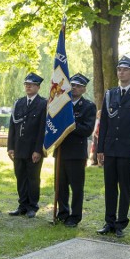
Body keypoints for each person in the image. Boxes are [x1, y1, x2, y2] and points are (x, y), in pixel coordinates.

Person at [97, 56, 130, 238]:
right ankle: (109, 222)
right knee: (110, 187)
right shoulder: (109, 94)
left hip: (127, 151)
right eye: (119, 69)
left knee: (125, 188)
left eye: (125, 69)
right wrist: (100, 149)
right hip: (110, 149)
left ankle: (121, 223)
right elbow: (104, 124)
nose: (121, 72)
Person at [54, 73, 97, 227]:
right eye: (72, 85)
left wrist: (71, 125)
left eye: (79, 86)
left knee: (76, 187)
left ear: (84, 89)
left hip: (76, 153)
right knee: (60, 186)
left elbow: (87, 129)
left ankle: (75, 216)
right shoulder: (61, 104)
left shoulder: (88, 106)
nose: (75, 88)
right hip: (60, 150)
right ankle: (63, 213)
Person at [7, 73, 47, 218]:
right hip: (19, 147)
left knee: (33, 177)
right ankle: (22, 205)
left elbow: (42, 129)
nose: (28, 86)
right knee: (20, 176)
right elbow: (13, 126)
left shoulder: (43, 104)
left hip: (33, 149)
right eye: (26, 84)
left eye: (31, 84)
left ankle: (32, 206)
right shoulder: (19, 103)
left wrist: (38, 150)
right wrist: (10, 147)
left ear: (38, 86)